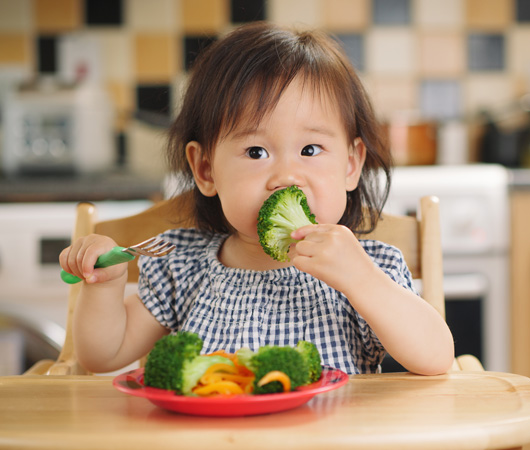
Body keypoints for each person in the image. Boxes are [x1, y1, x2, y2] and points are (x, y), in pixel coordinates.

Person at [60, 22, 454, 376]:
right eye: (255, 152)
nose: (285, 177)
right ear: (206, 170)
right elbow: (103, 356)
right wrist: (104, 287)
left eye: (311, 150)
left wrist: (363, 281)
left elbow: (436, 358)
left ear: (351, 165)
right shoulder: (183, 266)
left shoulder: (371, 267)